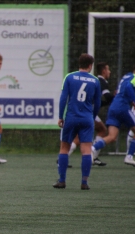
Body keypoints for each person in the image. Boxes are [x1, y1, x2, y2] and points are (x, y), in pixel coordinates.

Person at [53, 53, 101, 190]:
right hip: (87, 118)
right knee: (86, 150)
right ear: (90, 66)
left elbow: (63, 98)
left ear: (79, 64)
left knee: (64, 148)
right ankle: (84, 182)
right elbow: (97, 103)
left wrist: (61, 116)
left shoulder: (69, 77)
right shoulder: (95, 81)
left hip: (71, 117)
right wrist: (92, 117)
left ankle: (62, 181)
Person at [92, 62, 135, 168]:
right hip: (122, 108)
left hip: (113, 108)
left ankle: (92, 149)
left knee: (112, 137)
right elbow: (128, 88)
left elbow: (123, 88)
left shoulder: (126, 76)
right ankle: (129, 157)